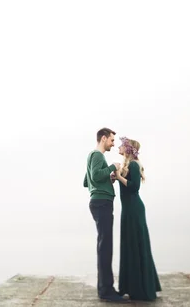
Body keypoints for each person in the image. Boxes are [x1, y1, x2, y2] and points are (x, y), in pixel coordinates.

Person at [113, 137, 161, 301]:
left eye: (121, 145)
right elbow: (127, 183)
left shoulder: (133, 164)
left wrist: (119, 177)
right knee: (129, 246)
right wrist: (116, 177)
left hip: (134, 210)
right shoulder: (127, 165)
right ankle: (129, 286)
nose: (118, 146)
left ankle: (140, 288)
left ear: (127, 148)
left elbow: (134, 187)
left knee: (135, 245)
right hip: (128, 210)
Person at [84, 127, 128, 303]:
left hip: (99, 201)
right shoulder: (97, 155)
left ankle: (105, 288)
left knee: (104, 246)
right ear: (103, 138)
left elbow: (87, 180)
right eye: (111, 140)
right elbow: (94, 175)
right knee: (105, 247)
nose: (113, 143)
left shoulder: (92, 156)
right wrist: (112, 167)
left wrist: (105, 180)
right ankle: (106, 291)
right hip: (102, 203)